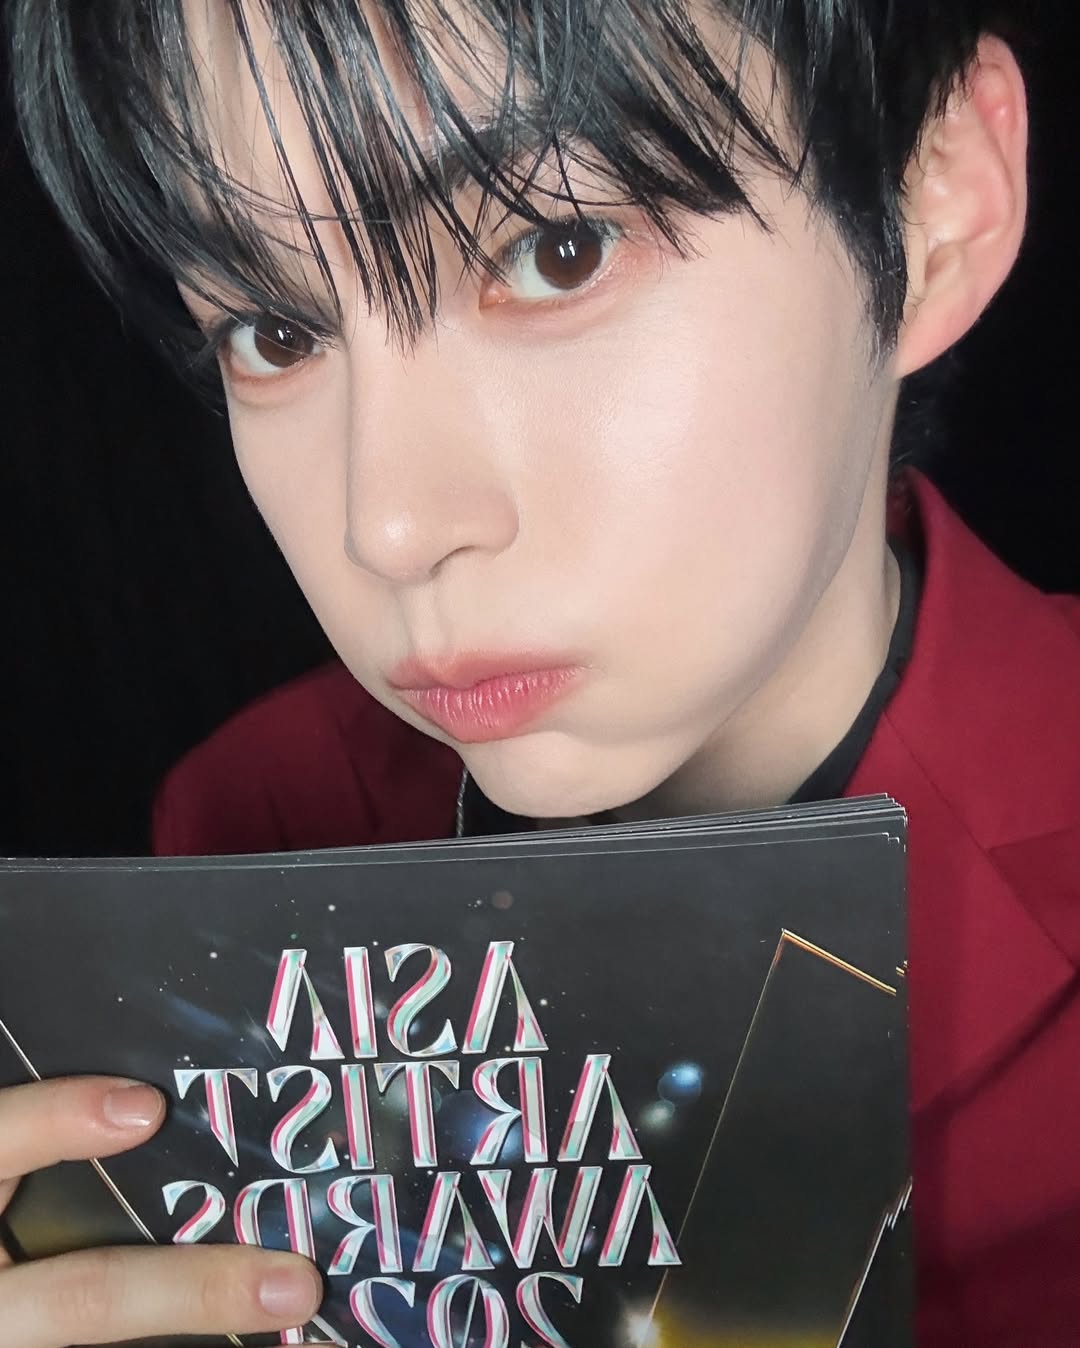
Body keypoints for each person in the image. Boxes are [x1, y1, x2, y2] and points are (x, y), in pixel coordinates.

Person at [5, 0, 1079, 1343]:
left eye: (555, 250)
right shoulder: (247, 829)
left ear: (936, 207)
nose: (390, 525)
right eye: (272, 332)